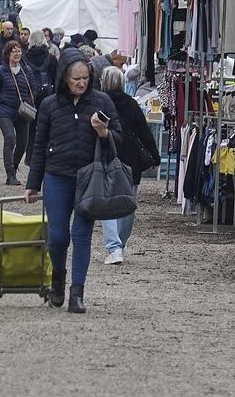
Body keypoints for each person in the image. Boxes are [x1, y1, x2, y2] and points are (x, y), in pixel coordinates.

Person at [26, 48, 121, 313]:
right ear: (64, 78)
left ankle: (77, 292)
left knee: (81, 235)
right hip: (57, 176)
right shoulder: (49, 105)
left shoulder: (102, 102)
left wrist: (104, 133)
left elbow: (120, 139)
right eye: (75, 78)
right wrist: (33, 183)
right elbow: (39, 146)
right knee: (57, 236)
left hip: (89, 178)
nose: (81, 83)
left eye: (85, 78)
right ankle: (58, 276)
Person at [99, 67, 160, 266]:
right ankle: (120, 244)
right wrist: (155, 156)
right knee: (128, 203)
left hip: (106, 154)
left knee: (107, 203)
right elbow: (144, 131)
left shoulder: (98, 103)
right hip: (131, 159)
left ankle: (114, 247)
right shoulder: (131, 104)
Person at [0, 40, 39, 186]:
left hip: (23, 112)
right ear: (7, 54)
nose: (17, 54)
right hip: (4, 110)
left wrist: (32, 105)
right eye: (14, 51)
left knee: (22, 143)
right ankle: (10, 174)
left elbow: (33, 90)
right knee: (10, 138)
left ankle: (13, 167)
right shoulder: (0, 71)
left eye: (19, 51)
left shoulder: (27, 70)